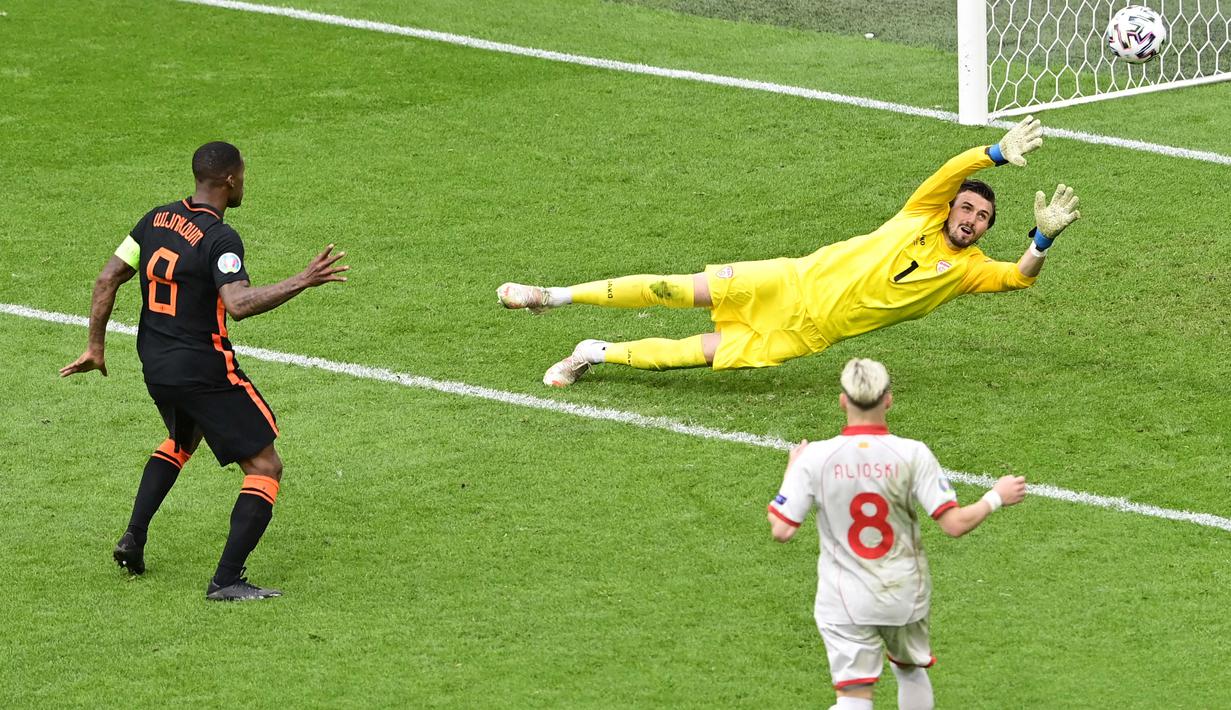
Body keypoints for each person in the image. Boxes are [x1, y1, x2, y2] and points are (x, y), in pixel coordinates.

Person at [496, 115, 1080, 387]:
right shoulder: (920, 213)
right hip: (786, 281)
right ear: (950, 208)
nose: (972, 221)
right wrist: (995, 154)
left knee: (688, 355)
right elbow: (953, 168)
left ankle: (593, 352)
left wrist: (1043, 237)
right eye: (967, 209)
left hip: (803, 335)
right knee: (672, 289)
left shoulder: (967, 272)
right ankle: (552, 295)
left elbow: (1020, 278)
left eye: (982, 219)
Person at [60, 141, 349, 601]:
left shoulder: (153, 219)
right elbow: (238, 305)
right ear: (230, 179)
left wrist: (96, 346)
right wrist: (304, 279)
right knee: (265, 465)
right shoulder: (220, 239)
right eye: (244, 174)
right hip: (202, 369)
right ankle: (227, 580)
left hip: (155, 364)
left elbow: (106, 277)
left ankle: (133, 538)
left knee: (181, 440)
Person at [766, 358, 1027, 709]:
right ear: (888, 399)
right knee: (910, 670)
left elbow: (782, 529)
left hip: (842, 597)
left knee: (853, 696)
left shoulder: (815, 457)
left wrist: (792, 470)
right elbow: (954, 524)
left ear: (843, 401)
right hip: (902, 593)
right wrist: (996, 496)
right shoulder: (912, 453)